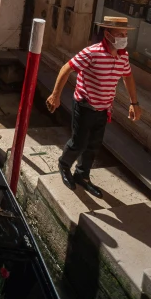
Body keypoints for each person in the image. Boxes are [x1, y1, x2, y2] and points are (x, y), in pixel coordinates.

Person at [46, 16, 141, 197]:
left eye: (125, 34)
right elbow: (67, 68)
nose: (123, 37)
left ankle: (83, 176)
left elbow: (128, 77)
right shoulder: (92, 52)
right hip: (84, 105)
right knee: (78, 143)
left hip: (104, 108)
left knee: (94, 145)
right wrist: (55, 95)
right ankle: (64, 165)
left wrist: (134, 103)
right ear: (108, 34)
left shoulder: (123, 56)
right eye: (120, 34)